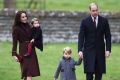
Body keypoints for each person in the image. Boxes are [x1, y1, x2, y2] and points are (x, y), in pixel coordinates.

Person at [78, 3, 111, 80]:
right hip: (88, 52)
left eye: (96, 10)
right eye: (93, 11)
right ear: (90, 11)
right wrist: (79, 50)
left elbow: (108, 36)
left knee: (99, 75)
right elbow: (81, 36)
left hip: (100, 52)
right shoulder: (84, 21)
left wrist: (108, 49)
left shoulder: (104, 21)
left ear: (98, 10)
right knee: (89, 76)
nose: (95, 12)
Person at [12, 11, 40, 80]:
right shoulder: (16, 28)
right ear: (19, 18)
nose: (25, 18)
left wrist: (37, 28)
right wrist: (14, 54)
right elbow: (14, 42)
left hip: (31, 50)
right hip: (24, 50)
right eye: (23, 17)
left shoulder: (29, 26)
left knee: (29, 73)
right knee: (28, 72)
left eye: (25, 16)